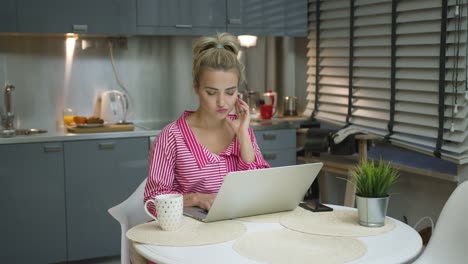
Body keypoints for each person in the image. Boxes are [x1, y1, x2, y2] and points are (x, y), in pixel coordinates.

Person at [144, 32, 271, 215]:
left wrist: (243, 136)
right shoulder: (172, 136)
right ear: (196, 87)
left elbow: (260, 189)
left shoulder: (242, 129)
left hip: (239, 228)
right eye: (211, 92)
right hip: (190, 235)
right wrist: (196, 198)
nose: (222, 102)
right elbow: (152, 201)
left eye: (230, 92)